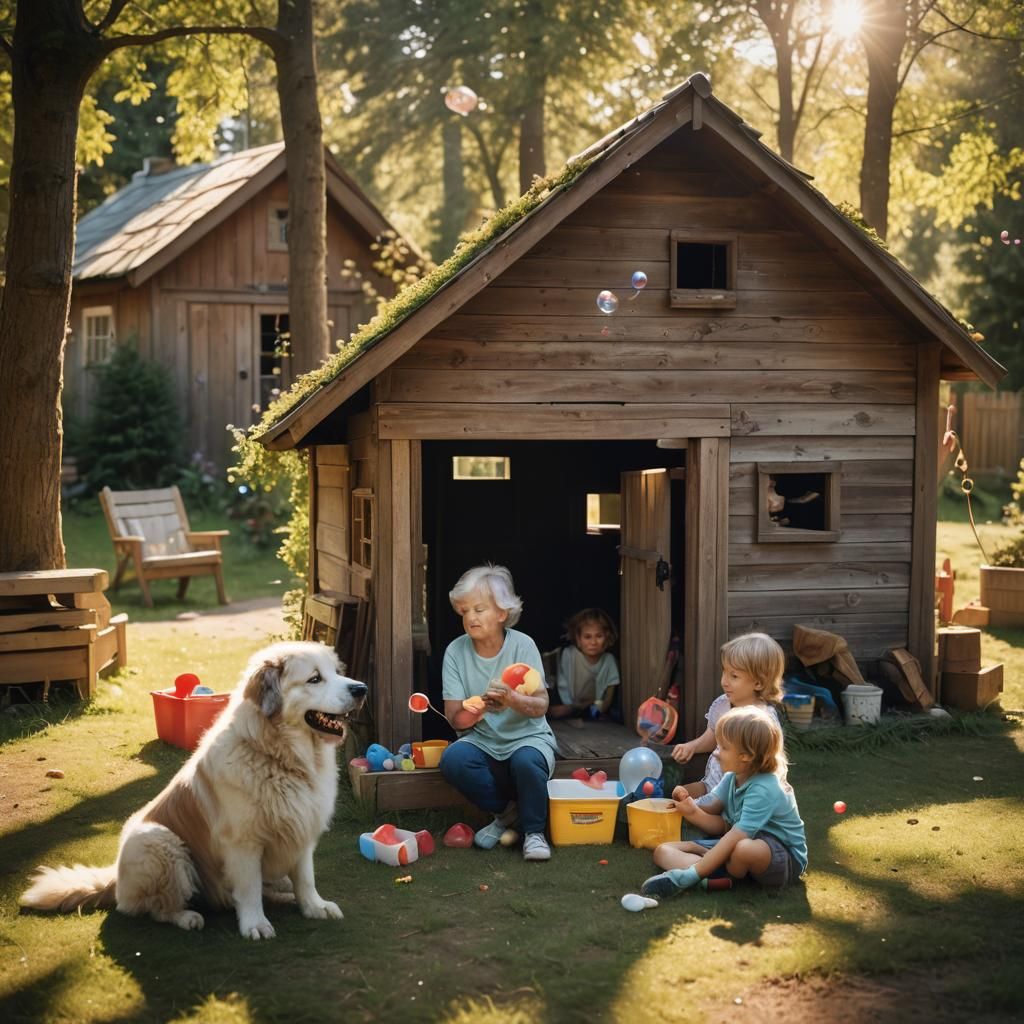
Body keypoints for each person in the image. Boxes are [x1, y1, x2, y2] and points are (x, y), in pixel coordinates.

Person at [438, 564, 558, 862]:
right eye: (464, 610)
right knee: (453, 760)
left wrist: (512, 699)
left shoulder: (523, 645)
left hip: (529, 738)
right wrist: (479, 709)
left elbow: (541, 705)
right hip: (483, 742)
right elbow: (455, 718)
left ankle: (534, 833)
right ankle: (506, 815)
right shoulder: (455, 651)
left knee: (527, 762)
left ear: (502, 613)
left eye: (479, 609)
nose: (470, 617)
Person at [640, 705, 807, 897]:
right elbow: (711, 809)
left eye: (724, 748)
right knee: (663, 851)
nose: (717, 753)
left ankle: (709, 874)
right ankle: (716, 880)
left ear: (746, 756)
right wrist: (688, 804)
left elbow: (736, 835)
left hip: (782, 856)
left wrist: (688, 876)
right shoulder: (731, 777)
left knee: (742, 849)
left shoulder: (764, 787)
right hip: (735, 847)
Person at [671, 632, 784, 805]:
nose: (724, 681)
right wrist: (692, 746)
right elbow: (713, 735)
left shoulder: (761, 720)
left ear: (758, 683)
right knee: (677, 794)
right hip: (711, 784)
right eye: (724, 672)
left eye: (734, 676)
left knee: (690, 808)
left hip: (739, 795)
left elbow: (767, 765)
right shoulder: (723, 704)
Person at [547, 608, 620, 727]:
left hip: (594, 708)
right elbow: (562, 683)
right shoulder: (570, 655)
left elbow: (609, 695)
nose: (593, 642)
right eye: (587, 637)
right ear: (578, 639)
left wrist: (598, 708)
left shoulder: (608, 660)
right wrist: (572, 707)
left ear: (607, 637)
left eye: (599, 636)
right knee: (553, 712)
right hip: (570, 705)